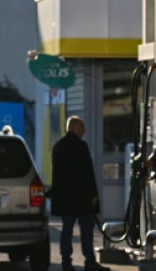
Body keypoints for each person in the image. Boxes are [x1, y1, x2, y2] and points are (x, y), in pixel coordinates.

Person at [51, 115, 110, 271]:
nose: (84, 130)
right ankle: (89, 262)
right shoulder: (81, 146)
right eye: (81, 127)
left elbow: (56, 174)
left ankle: (66, 263)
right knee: (86, 231)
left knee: (67, 230)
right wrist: (93, 194)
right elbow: (87, 172)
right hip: (82, 197)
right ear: (73, 128)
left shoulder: (58, 146)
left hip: (65, 197)